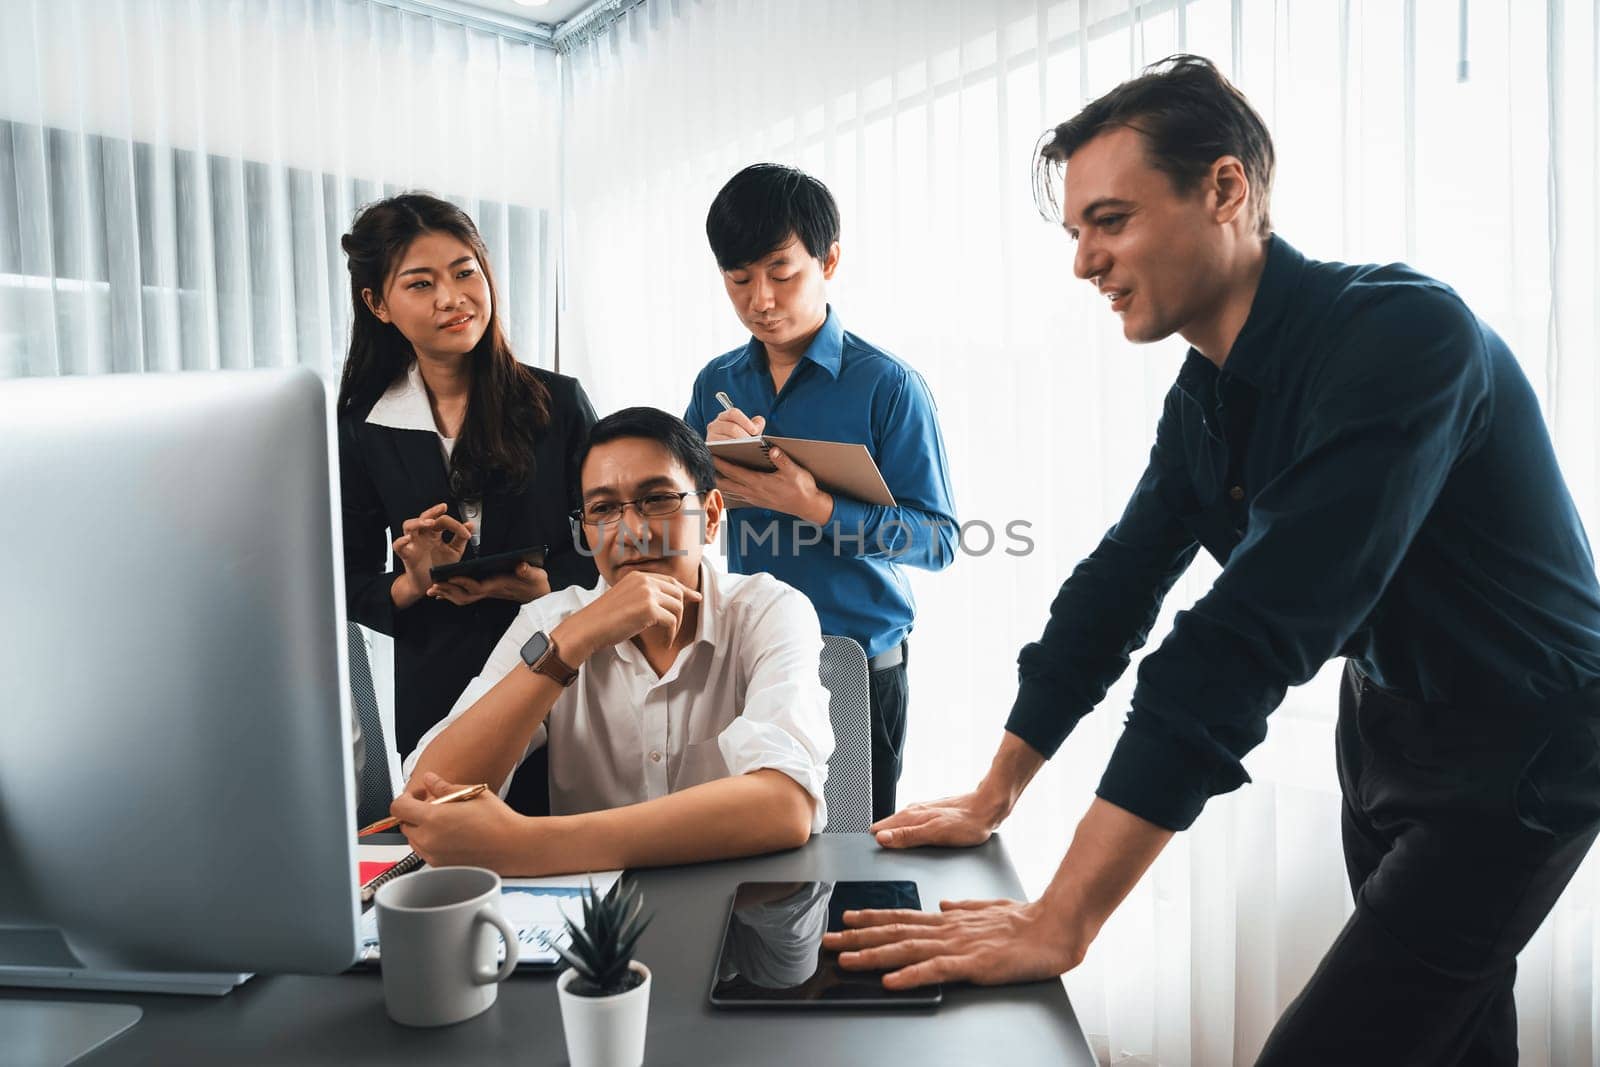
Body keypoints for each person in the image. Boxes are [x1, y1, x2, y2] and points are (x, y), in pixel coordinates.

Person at [826, 55, 1600, 1067]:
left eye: (1110, 220)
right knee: (1451, 1036)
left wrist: (1062, 917)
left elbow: (1242, 640)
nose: (1082, 262)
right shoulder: (1205, 396)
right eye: (1074, 233)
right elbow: (1112, 594)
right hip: (1384, 734)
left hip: (1523, 749)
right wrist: (993, 792)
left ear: (1225, 189)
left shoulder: (1406, 337)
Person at [391, 407, 834, 875]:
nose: (632, 533)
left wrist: (528, 845)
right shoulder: (552, 620)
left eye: (657, 499)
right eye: (602, 509)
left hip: (742, 906)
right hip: (593, 924)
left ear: (709, 515)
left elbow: (785, 804)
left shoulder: (769, 609)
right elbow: (430, 793)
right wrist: (569, 645)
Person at [686, 163, 959, 822]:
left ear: (828, 259)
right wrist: (706, 481)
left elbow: (940, 540)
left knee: (853, 853)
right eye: (738, 278)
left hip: (858, 662)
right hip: (752, 655)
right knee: (758, 851)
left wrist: (814, 506)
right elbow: (682, 523)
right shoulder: (715, 382)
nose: (761, 298)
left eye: (782, 272)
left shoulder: (889, 386)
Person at [337, 194, 599, 775]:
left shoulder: (558, 403)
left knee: (570, 850)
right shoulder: (365, 426)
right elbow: (345, 580)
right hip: (438, 691)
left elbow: (614, 541)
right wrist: (411, 582)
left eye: (464, 273)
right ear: (378, 304)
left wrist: (543, 586)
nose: (453, 299)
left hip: (557, 672)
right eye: (421, 284)